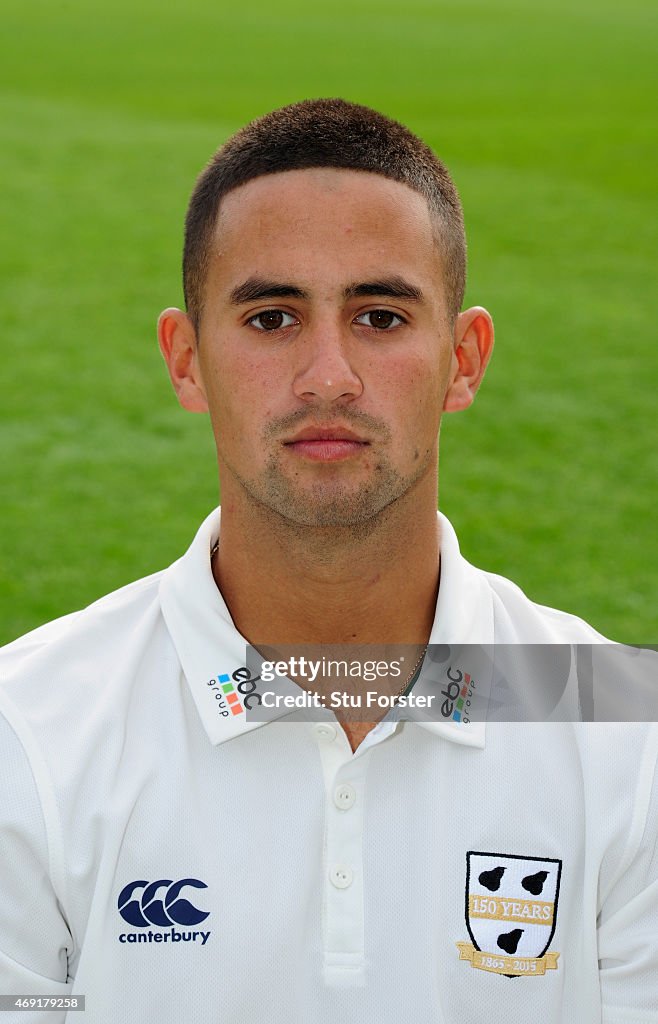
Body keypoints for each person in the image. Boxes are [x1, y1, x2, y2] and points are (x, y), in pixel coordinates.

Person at [0, 99, 655, 1024]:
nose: (328, 376)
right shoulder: (26, 730)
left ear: (463, 360)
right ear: (186, 362)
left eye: (381, 316)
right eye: (271, 318)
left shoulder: (628, 729)